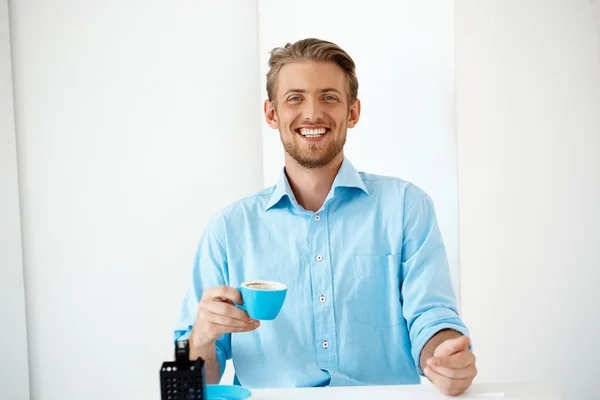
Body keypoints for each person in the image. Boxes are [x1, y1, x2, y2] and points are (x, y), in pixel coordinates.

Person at [174, 38, 477, 396]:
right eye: (295, 98)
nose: (313, 113)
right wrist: (202, 337)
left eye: (329, 97)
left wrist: (443, 355)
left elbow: (432, 317)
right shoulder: (229, 230)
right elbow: (196, 381)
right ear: (272, 114)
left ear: (353, 112)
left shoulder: (405, 207)